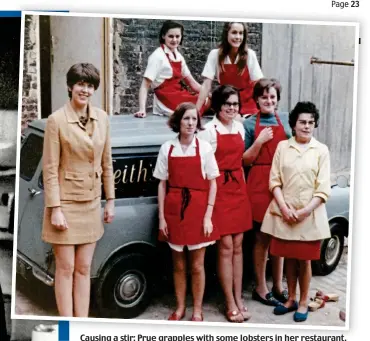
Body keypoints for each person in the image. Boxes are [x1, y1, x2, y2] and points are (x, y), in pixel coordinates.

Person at [42, 63, 115, 317]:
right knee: (66, 268)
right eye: (80, 84)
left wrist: (111, 201)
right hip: (65, 204)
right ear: (70, 87)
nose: (85, 90)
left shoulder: (103, 118)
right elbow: (50, 169)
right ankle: (66, 324)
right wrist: (55, 209)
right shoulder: (56, 121)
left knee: (84, 268)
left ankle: (81, 323)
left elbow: (107, 162)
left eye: (90, 85)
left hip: (92, 203)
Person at [261, 101, 331, 322]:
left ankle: (302, 301)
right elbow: (274, 181)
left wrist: (304, 212)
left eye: (311, 122)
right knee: (288, 257)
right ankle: (290, 299)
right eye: (302, 122)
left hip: (309, 215)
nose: (307, 126)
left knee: (305, 260)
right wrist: (283, 207)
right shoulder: (283, 147)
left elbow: (323, 188)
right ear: (293, 124)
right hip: (284, 213)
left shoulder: (321, 150)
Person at [153, 102, 220, 322]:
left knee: (197, 265)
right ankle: (180, 307)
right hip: (174, 210)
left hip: (198, 211)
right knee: (178, 264)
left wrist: (208, 216)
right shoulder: (167, 148)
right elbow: (162, 184)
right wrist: (162, 217)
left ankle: (197, 310)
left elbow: (213, 183)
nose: (191, 123)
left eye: (194, 119)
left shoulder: (204, 148)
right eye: (186, 119)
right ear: (178, 122)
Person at [198, 85, 252, 323]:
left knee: (239, 244)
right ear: (218, 105)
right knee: (226, 246)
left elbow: (241, 160)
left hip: (238, 187)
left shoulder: (240, 128)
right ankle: (229, 301)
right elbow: (202, 168)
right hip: (218, 189)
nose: (232, 108)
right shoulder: (208, 131)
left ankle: (239, 298)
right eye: (227, 103)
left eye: (235, 104)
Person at [243, 78, 291, 307]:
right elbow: (245, 159)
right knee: (262, 237)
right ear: (257, 100)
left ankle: (279, 286)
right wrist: (259, 142)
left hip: (281, 183)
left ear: (277, 100)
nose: (268, 100)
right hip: (259, 182)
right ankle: (261, 288)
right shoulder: (250, 125)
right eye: (264, 97)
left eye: (272, 97)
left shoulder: (287, 125)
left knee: (279, 235)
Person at [134, 20, 201, 118]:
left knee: (206, 99)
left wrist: (211, 94)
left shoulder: (179, 56)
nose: (174, 40)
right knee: (196, 106)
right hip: (166, 99)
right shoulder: (157, 56)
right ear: (163, 36)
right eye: (171, 36)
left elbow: (192, 83)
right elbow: (145, 85)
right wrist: (142, 109)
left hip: (179, 94)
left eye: (177, 36)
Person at [196, 22, 263, 119]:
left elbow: (258, 84)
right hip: (227, 99)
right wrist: (196, 111)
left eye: (241, 33)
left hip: (247, 100)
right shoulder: (215, 54)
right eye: (234, 32)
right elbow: (206, 85)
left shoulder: (250, 54)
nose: (238, 37)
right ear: (226, 34)